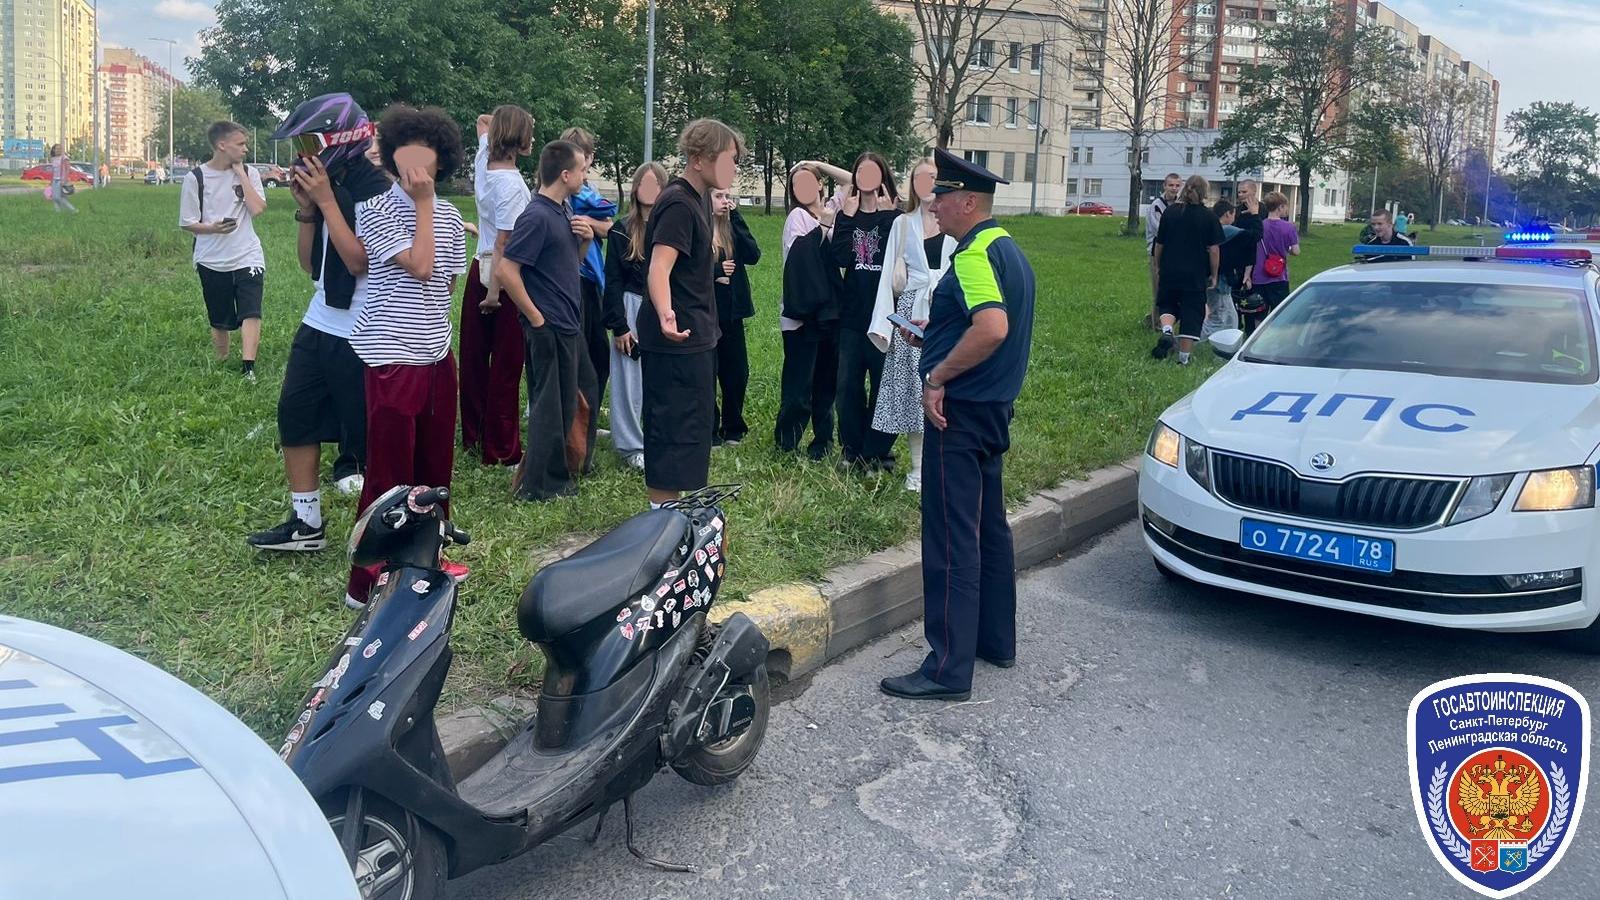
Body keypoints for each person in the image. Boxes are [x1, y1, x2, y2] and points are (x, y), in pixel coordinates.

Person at [879, 148, 1035, 702]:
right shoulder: (1007, 250)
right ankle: (995, 641)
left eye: (941, 198)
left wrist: (938, 374)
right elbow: (986, 324)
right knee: (991, 529)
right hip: (993, 410)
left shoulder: (971, 255)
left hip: (959, 414)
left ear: (968, 202)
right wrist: (937, 331)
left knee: (950, 536)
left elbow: (991, 327)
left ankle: (946, 667)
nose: (934, 206)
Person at [247, 92, 389, 553]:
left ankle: (394, 526)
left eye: (310, 141)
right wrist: (308, 208)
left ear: (340, 139)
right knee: (296, 414)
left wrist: (327, 201)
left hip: (365, 328)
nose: (303, 154)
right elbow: (311, 264)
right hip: (322, 317)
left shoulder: (376, 189)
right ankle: (306, 521)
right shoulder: (334, 183)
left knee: (367, 434)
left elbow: (359, 263)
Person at [344, 105, 469, 609]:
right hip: (390, 354)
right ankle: (368, 576)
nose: (418, 161)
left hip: (436, 354)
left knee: (434, 470)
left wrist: (434, 208)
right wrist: (422, 205)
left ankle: (425, 559)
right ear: (393, 156)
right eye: (407, 150)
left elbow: (448, 282)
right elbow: (420, 267)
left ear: (442, 158)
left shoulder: (455, 216)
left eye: (428, 151)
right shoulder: (376, 210)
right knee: (389, 473)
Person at [639, 118, 742, 507]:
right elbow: (659, 267)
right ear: (699, 159)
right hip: (674, 342)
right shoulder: (679, 203)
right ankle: (661, 520)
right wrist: (666, 313)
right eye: (729, 160)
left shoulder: (699, 198)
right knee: (672, 432)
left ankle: (674, 517)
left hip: (696, 338)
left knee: (692, 431)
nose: (734, 169)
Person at [497, 140, 592, 502]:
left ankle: (557, 474)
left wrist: (582, 243)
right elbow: (507, 269)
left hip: (567, 324)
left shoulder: (562, 211)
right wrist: (536, 318)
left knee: (566, 404)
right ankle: (540, 486)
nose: (585, 175)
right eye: (582, 169)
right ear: (565, 174)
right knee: (549, 407)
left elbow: (565, 267)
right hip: (547, 326)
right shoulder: (536, 215)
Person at [866, 158, 954, 492]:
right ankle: (919, 468)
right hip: (912, 316)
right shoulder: (903, 224)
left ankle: (943, 463)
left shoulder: (954, 227)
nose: (927, 183)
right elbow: (889, 272)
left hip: (946, 313)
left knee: (944, 387)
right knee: (915, 395)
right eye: (920, 178)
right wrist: (883, 324)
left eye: (932, 177)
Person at [461, 105, 535, 467]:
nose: (533, 138)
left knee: (475, 360)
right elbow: (505, 243)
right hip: (503, 278)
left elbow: (481, 121)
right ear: (518, 140)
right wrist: (495, 294)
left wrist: (497, 126)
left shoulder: (482, 165)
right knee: (506, 365)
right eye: (529, 132)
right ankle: (501, 449)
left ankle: (473, 435)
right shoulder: (512, 185)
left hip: (478, 267)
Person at [830, 151, 903, 471]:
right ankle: (852, 449)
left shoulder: (895, 217)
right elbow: (840, 259)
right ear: (856, 177)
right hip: (852, 316)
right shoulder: (847, 213)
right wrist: (845, 219)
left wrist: (888, 218)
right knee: (847, 386)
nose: (868, 177)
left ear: (882, 176)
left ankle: (877, 451)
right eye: (862, 171)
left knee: (883, 386)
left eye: (874, 172)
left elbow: (898, 258)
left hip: (885, 317)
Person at [179, 122, 268, 380]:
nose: (245, 149)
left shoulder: (249, 172)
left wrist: (241, 175)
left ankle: (248, 366)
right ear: (222, 145)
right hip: (211, 258)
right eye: (240, 144)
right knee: (220, 317)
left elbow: (258, 209)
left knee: (251, 310)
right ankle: (222, 361)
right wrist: (214, 228)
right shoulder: (195, 178)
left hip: (247, 254)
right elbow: (187, 222)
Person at [775, 163, 847, 459]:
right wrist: (825, 226)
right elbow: (802, 258)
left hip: (831, 313)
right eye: (796, 184)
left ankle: (823, 442)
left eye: (809, 181)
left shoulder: (832, 207)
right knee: (799, 383)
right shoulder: (797, 217)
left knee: (826, 382)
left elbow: (855, 181)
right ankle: (787, 443)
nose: (803, 188)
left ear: (820, 184)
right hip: (802, 316)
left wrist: (819, 165)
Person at [560, 127, 618, 472]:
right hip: (576, 281)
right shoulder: (570, 195)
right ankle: (577, 431)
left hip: (595, 279)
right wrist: (596, 222)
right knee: (582, 362)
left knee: (599, 358)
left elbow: (613, 226)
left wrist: (593, 225)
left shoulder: (588, 192)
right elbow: (607, 215)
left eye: (583, 156)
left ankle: (589, 417)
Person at [603, 162, 667, 471]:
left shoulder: (669, 226)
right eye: (645, 184)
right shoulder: (621, 228)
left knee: (660, 378)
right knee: (629, 380)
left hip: (662, 306)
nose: (649, 190)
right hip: (631, 304)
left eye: (656, 185)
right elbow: (612, 279)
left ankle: (659, 437)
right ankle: (631, 445)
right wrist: (619, 326)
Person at [1151, 175, 1223, 366]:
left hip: (1170, 269)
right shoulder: (1209, 217)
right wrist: (1214, 274)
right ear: (1204, 192)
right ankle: (1183, 359)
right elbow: (1214, 250)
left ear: (1184, 189)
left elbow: (1160, 243)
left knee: (1167, 303)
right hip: (1195, 273)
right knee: (1192, 313)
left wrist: (1158, 265)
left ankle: (1167, 330)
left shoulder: (1171, 212)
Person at [711, 188, 761, 445]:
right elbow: (687, 265)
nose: (725, 201)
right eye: (718, 196)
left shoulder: (732, 226)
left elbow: (753, 255)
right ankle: (710, 429)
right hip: (706, 312)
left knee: (737, 372)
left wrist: (737, 217)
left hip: (733, 311)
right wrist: (715, 270)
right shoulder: (699, 225)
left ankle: (733, 426)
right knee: (709, 370)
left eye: (727, 196)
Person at [1243, 191, 1300, 316]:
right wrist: (1287, 249)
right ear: (1280, 207)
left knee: (1259, 314)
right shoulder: (1289, 227)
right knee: (1279, 314)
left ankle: (1258, 335)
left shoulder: (1260, 226)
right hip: (1279, 276)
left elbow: (1252, 251)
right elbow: (1296, 251)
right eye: (1285, 207)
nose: (1286, 210)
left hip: (1259, 276)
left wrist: (1247, 274)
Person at [1145, 173, 1182, 329]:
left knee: (1172, 290)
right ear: (1164, 186)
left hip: (1175, 253)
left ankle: (1162, 319)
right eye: (1171, 185)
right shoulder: (1156, 206)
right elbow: (1160, 231)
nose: (1174, 188)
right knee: (1159, 289)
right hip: (1157, 253)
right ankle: (1156, 324)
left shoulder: (1181, 205)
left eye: (1177, 185)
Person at [46, 144, 77, 213]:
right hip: (54, 180)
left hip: (61, 180)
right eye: (57, 149)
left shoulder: (64, 158)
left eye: (60, 149)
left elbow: (67, 169)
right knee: (54, 198)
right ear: (54, 150)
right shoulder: (53, 159)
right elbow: (53, 171)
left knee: (58, 197)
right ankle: (59, 213)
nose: (58, 150)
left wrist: (65, 180)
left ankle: (73, 210)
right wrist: (51, 182)